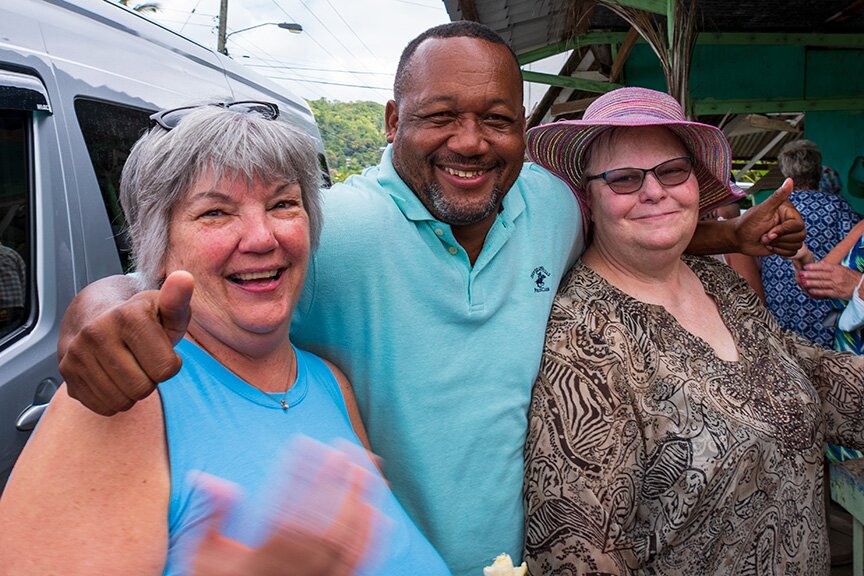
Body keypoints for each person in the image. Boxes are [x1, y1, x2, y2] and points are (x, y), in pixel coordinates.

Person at [54, 23, 806, 576]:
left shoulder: (546, 203)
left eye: (497, 119)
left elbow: (633, 228)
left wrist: (732, 234)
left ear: (524, 128)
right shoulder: (330, 230)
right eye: (440, 117)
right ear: (392, 122)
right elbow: (196, 278)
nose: (471, 142)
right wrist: (97, 302)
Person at [0, 102, 452, 576]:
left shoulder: (328, 382)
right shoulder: (122, 396)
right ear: (157, 246)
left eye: (282, 204)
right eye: (215, 212)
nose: (261, 237)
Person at [521, 86, 864, 574]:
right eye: (623, 178)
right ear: (589, 201)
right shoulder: (584, 342)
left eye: (672, 171)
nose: (654, 190)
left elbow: (810, 374)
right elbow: (578, 552)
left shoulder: (716, 280)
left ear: (694, 184)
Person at [761, 141, 860, 346]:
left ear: (785, 172)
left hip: (780, 306)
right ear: (818, 169)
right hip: (824, 307)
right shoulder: (837, 207)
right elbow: (853, 253)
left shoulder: (772, 209)